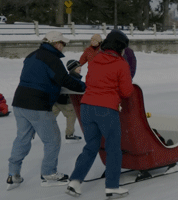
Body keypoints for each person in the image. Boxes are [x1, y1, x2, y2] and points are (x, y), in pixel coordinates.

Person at [7, 31, 86, 190]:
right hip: (37, 104)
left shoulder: (32, 55)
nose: (63, 47)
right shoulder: (52, 58)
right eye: (63, 44)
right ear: (56, 43)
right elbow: (64, 79)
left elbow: (40, 77)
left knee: (22, 138)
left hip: (19, 102)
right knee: (53, 139)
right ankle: (49, 174)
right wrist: (84, 87)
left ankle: (13, 173)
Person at [66, 30, 133, 198]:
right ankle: (112, 187)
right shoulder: (121, 63)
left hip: (87, 107)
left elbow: (89, 81)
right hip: (106, 110)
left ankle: (75, 182)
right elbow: (126, 92)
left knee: (90, 147)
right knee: (113, 149)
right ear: (120, 47)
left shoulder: (95, 60)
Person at [53, 60, 85, 143]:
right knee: (71, 115)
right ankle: (69, 134)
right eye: (78, 66)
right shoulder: (73, 77)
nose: (80, 68)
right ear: (72, 68)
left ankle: (36, 130)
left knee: (49, 117)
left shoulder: (68, 76)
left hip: (56, 101)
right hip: (66, 103)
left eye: (80, 66)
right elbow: (79, 87)